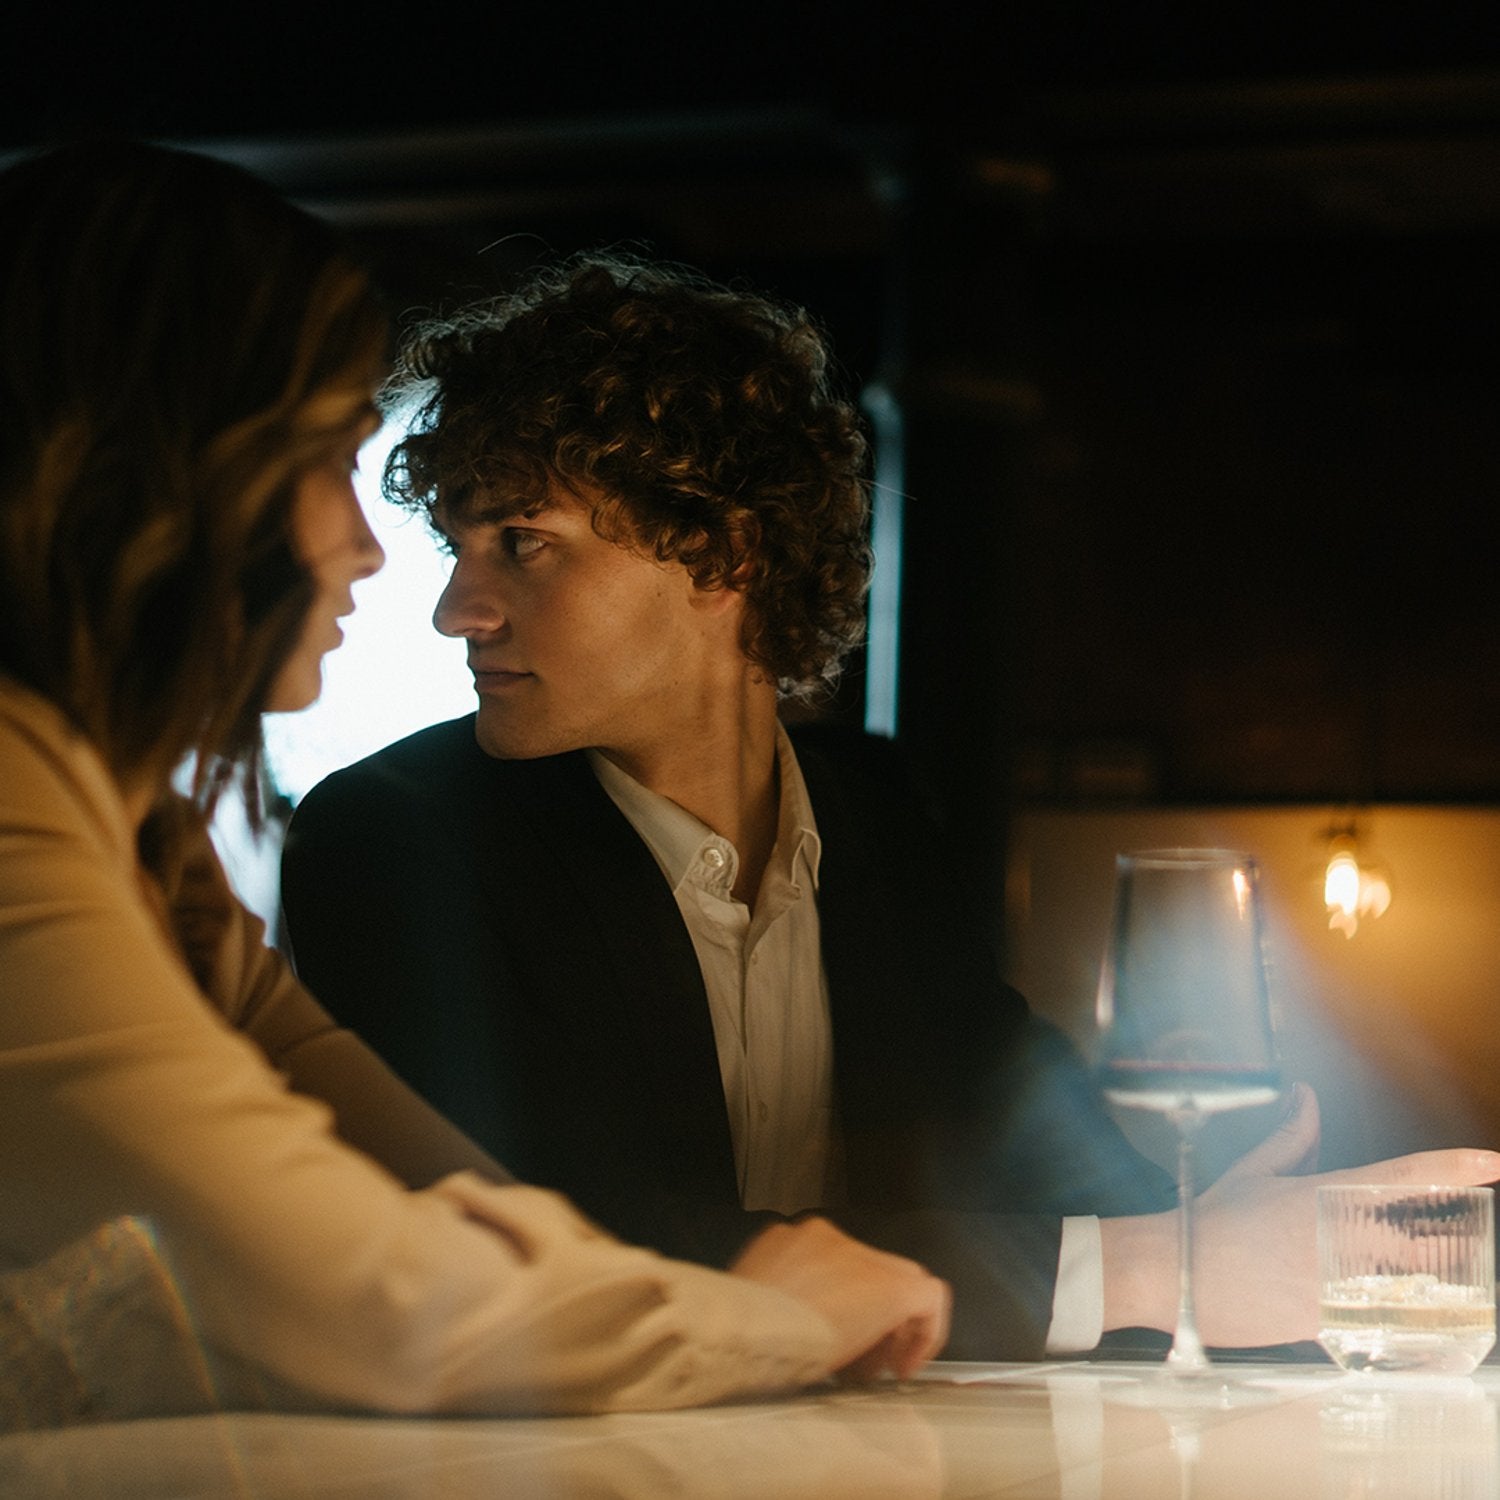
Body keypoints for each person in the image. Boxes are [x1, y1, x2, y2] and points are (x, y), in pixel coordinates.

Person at [280, 252, 1500, 1360]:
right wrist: (1150, 1265)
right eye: (459, 546)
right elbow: (563, 1250)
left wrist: (1205, 1220)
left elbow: (1022, 1131)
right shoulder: (391, 840)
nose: (457, 609)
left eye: (522, 542)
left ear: (725, 553)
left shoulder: (877, 820)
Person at [0, 142, 954, 1430]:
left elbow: (441, 1190)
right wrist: (780, 1317)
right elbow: (386, 1300)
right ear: (156, 477)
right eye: (328, 459)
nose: (368, 552)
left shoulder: (148, 849)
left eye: (519, 541)